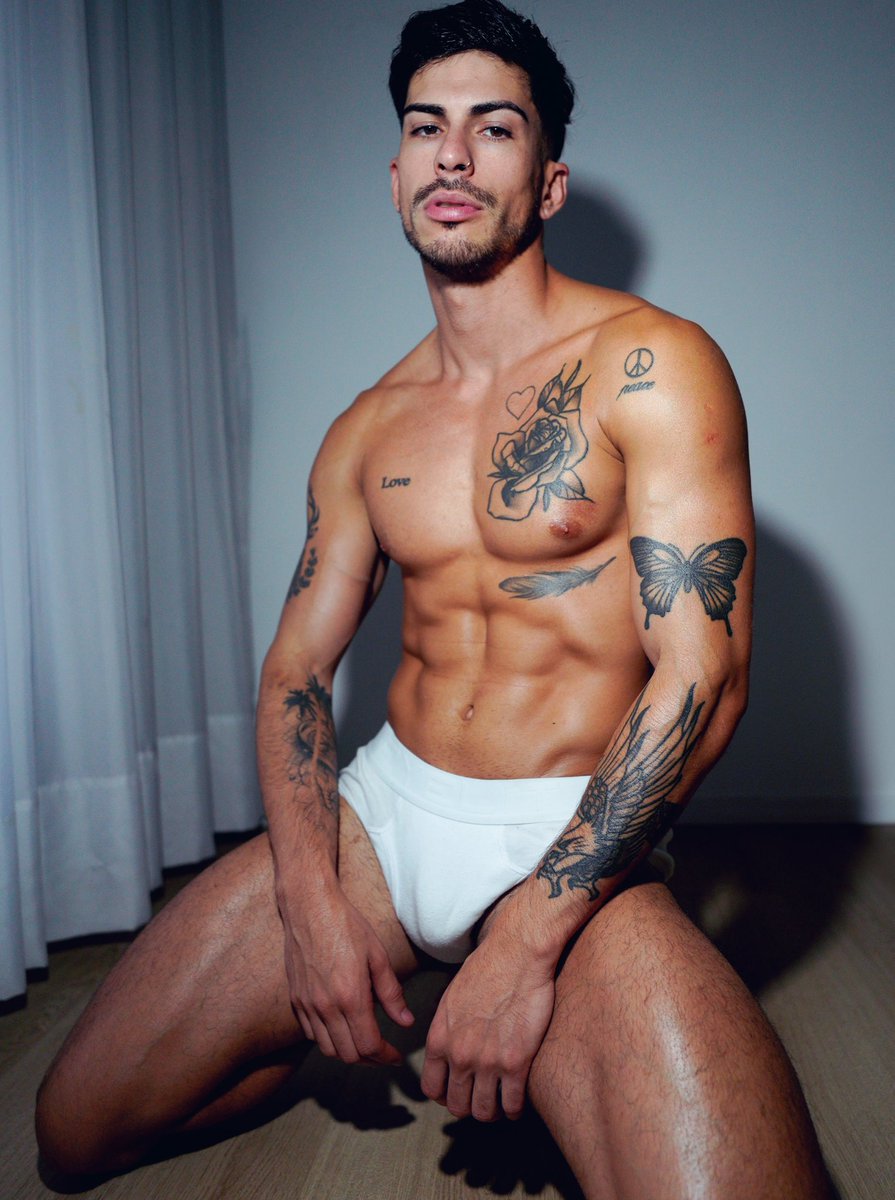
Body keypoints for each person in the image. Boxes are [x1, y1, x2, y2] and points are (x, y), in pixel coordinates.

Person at [36, 2, 831, 1196]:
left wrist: (523, 943)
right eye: (426, 127)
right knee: (73, 1129)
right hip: (384, 816)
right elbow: (296, 673)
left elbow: (702, 679)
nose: (452, 155)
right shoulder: (367, 426)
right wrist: (310, 904)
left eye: (493, 128)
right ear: (398, 175)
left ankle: (545, 1055)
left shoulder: (651, 365)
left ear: (547, 182)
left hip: (569, 835)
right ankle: (367, 1013)